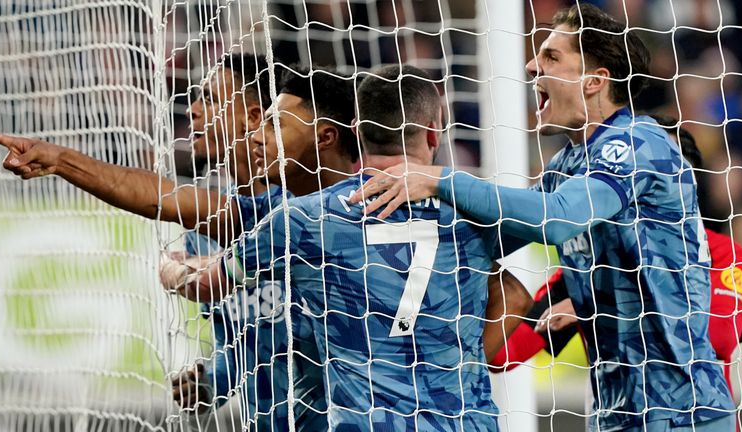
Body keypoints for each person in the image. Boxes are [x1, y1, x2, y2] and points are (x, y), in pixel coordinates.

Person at [350, 5, 736, 431]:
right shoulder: (567, 167)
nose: (532, 65)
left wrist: (440, 179)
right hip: (618, 413)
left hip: (685, 415)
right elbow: (489, 235)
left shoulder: (638, 141)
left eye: (552, 57)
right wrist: (378, 227)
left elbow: (557, 219)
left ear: (595, 81)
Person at [0, 61, 358, 430]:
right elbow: (241, 343)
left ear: (254, 116)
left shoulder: (312, 213)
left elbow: (163, 204)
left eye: (208, 99)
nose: (191, 110)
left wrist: (182, 272)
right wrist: (211, 381)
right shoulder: (212, 224)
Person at [178, 64, 528, 431]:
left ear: (354, 134)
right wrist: (447, 380)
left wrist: (171, 268)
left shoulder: (305, 220)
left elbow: (204, 277)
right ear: (433, 133)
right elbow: (522, 282)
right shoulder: (469, 213)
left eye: (274, 123)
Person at [491, 116, 742, 401]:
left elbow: (717, 335)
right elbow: (503, 352)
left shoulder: (724, 254)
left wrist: (595, 306)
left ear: (689, 186)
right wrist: (475, 262)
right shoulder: (589, 268)